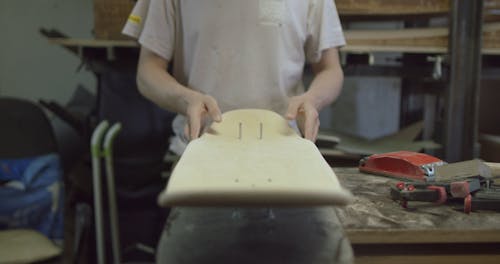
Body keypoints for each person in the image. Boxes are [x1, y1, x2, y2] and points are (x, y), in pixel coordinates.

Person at [124, 0, 353, 263]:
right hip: (202, 160)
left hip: (287, 161)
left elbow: (330, 68)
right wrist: (185, 98)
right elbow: (148, 70)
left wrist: (313, 99)